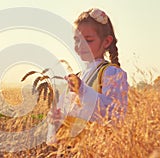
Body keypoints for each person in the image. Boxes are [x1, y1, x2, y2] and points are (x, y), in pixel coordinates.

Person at [46, 8, 129, 145]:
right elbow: (67, 119)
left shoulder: (111, 73)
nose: (80, 46)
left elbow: (115, 115)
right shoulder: (77, 77)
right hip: (74, 150)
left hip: (99, 150)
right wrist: (56, 121)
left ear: (106, 42)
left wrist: (83, 91)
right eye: (77, 40)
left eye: (88, 40)